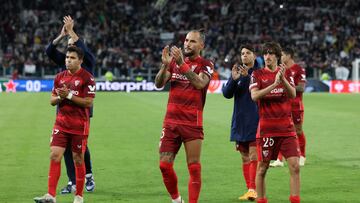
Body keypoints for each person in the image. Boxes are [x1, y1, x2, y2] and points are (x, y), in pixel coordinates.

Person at [155, 29, 214, 203]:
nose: (187, 44)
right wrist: (165, 65)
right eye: (186, 40)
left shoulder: (206, 64)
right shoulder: (173, 62)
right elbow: (158, 83)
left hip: (191, 122)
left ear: (201, 45)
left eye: (192, 41)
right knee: (164, 165)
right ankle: (176, 200)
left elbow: (200, 83)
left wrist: (182, 64)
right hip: (171, 122)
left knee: (194, 167)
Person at [34, 46, 96, 203]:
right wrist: (61, 98)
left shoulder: (87, 78)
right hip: (61, 124)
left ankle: (79, 196)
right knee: (55, 155)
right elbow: (52, 101)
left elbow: (88, 102)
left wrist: (68, 95)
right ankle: (50, 195)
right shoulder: (59, 77)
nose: (68, 60)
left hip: (79, 126)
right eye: (67, 57)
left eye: (72, 58)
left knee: (78, 160)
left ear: (80, 60)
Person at [45, 15, 96, 193]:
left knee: (81, 147)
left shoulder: (88, 61)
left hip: (82, 108)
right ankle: (72, 181)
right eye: (67, 54)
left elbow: (79, 47)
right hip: (64, 108)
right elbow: (49, 51)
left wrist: (72, 32)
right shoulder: (64, 63)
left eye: (72, 54)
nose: (68, 57)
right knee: (64, 146)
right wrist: (61, 35)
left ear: (80, 56)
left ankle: (88, 176)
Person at [249, 42, 300, 203]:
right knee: (262, 169)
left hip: (286, 129)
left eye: (271, 53)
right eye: (265, 53)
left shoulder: (287, 73)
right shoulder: (257, 74)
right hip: (266, 130)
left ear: (278, 56)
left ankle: (295, 200)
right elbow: (255, 96)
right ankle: (262, 200)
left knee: (295, 166)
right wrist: (274, 84)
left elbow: (292, 94)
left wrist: (282, 79)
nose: (267, 56)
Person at [222, 44, 260, 201]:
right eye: (242, 53)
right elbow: (226, 94)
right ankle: (250, 190)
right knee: (244, 157)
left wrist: (247, 77)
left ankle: (253, 189)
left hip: (255, 120)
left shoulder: (259, 74)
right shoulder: (237, 72)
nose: (244, 56)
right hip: (239, 121)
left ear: (254, 55)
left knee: (253, 155)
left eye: (248, 53)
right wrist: (233, 79)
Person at [270, 47, 307, 167]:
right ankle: (279, 159)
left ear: (289, 55)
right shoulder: (281, 69)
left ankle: (302, 156)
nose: (280, 57)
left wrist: (285, 86)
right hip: (283, 105)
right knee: (280, 131)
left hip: (296, 106)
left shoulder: (299, 69)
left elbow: (301, 88)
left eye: (282, 55)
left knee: (298, 130)